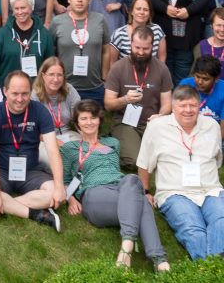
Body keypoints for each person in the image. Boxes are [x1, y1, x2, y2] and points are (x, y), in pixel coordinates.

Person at [61, 100, 170, 272]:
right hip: (94, 193)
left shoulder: (113, 143)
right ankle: (159, 258)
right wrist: (71, 200)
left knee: (133, 179)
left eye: (93, 117)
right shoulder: (70, 148)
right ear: (77, 123)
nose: (89, 122)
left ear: (100, 120)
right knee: (141, 202)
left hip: (121, 187)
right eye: (84, 118)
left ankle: (127, 248)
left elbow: (115, 170)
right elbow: (65, 179)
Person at [137, 84, 224, 260]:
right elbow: (144, 163)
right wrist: (146, 191)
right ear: (173, 107)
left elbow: (217, 160)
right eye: (182, 105)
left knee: (221, 221)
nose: (188, 110)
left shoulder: (212, 126)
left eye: (192, 105)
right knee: (193, 229)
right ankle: (209, 267)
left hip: (211, 190)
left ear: (199, 106)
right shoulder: (157, 127)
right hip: (175, 192)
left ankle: (214, 266)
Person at [0, 71, 64, 231]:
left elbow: (53, 151)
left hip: (31, 170)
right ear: (5, 91)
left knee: (53, 191)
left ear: (30, 92)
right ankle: (35, 214)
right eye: (14, 93)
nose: (20, 99)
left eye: (25, 94)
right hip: (1, 170)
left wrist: (60, 186)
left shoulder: (40, 111)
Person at [104, 25, 173, 170]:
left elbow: (167, 103)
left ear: (152, 47)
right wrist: (125, 100)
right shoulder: (118, 67)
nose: (141, 52)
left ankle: (130, 145)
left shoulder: (162, 68)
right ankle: (117, 144)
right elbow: (108, 104)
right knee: (135, 162)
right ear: (131, 44)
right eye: (137, 48)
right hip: (126, 122)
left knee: (168, 158)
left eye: (145, 49)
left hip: (153, 123)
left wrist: (160, 115)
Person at [50, 0, 114, 102]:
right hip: (64, 87)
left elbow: (106, 50)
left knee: (91, 121)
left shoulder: (100, 20)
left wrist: (104, 77)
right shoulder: (57, 22)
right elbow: (52, 54)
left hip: (94, 88)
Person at [0, 0, 54, 83]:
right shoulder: (2, 34)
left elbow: (51, 67)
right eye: (16, 9)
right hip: (9, 93)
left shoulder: (44, 34)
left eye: (23, 8)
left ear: (31, 8)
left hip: (36, 93)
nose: (20, 12)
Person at [31, 57, 82, 169]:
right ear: (43, 75)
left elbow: (80, 117)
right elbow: (34, 130)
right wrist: (58, 143)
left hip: (68, 135)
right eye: (51, 74)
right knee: (57, 162)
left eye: (59, 75)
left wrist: (87, 138)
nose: (55, 79)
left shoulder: (70, 90)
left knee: (85, 155)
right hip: (43, 139)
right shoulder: (34, 96)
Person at [180, 56, 224, 124]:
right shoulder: (185, 85)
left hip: (214, 131)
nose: (200, 82)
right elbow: (178, 114)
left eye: (205, 79)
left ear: (216, 79)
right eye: (197, 76)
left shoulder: (222, 89)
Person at [197, 7, 224, 77]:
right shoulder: (201, 46)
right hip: (207, 87)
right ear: (211, 26)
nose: (222, 29)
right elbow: (195, 73)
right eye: (218, 25)